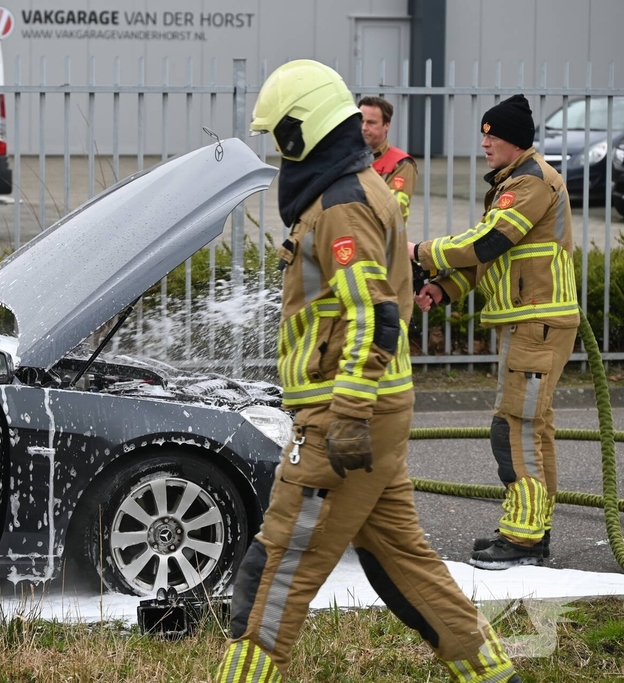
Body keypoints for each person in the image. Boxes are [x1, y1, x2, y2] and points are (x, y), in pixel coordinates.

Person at [216, 60, 522, 683]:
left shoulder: (342, 205)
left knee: (279, 566)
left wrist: (346, 415)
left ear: (301, 133)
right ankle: (493, 673)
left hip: (344, 417)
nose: (278, 153)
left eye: (280, 137)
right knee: (404, 565)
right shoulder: (355, 187)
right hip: (373, 409)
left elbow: (374, 316)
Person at [409, 94, 578, 570]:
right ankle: (530, 533)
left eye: (492, 135)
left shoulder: (531, 182)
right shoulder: (514, 181)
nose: (484, 142)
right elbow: (494, 257)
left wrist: (419, 251)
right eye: (483, 134)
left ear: (516, 141)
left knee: (514, 427)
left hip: (537, 322)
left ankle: (522, 541)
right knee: (534, 428)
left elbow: (488, 240)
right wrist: (444, 289)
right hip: (530, 321)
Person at [359, 95, 417, 224]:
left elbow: (392, 213)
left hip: (383, 241)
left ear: (386, 125)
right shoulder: (345, 157)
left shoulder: (401, 163)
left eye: (371, 122)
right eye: (361, 121)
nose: (364, 128)